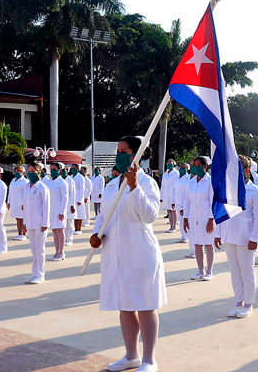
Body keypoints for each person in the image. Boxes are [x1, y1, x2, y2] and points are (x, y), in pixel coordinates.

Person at [89, 136, 165, 372]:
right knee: (125, 305)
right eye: (117, 150)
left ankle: (149, 359)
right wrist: (96, 233)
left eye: (124, 150)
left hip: (140, 251)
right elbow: (104, 215)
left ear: (137, 155)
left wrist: (134, 187)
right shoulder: (111, 184)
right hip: (116, 251)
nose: (118, 154)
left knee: (145, 304)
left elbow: (150, 215)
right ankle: (131, 355)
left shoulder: (147, 183)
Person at [214, 155, 258, 318]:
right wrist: (218, 234)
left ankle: (248, 304)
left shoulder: (255, 191)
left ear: (247, 170)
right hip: (229, 236)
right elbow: (222, 213)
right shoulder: (229, 189)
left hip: (245, 237)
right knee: (235, 271)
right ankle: (238, 301)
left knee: (246, 271)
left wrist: (254, 238)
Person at [183, 157, 215, 281]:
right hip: (193, 217)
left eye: (198, 165)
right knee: (197, 244)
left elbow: (213, 202)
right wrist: (185, 218)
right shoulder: (191, 182)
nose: (195, 167)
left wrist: (211, 220)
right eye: (194, 165)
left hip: (206, 218)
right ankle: (200, 271)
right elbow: (187, 201)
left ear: (205, 167)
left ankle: (209, 271)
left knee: (208, 244)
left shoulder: (210, 181)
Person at [24, 162, 50, 284]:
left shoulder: (42, 188)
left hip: (40, 223)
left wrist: (45, 223)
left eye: (33, 171)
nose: (30, 174)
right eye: (29, 171)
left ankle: (40, 274)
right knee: (33, 250)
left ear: (39, 173)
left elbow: (46, 207)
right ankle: (34, 273)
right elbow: (26, 206)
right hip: (30, 222)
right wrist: (25, 222)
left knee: (40, 250)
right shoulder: (27, 187)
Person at [44, 162, 68, 261]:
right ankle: (56, 250)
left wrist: (62, 212)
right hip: (51, 209)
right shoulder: (49, 182)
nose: (53, 171)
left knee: (60, 230)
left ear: (59, 170)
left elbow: (65, 198)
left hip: (59, 209)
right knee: (54, 230)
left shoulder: (63, 183)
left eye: (55, 169)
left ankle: (61, 252)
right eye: (51, 169)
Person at [7, 165, 28, 241]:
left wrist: (24, 204)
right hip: (14, 202)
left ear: (22, 172)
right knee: (17, 218)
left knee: (22, 219)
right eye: (15, 171)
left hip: (21, 203)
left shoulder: (25, 181)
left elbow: (26, 194)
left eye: (18, 171)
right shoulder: (13, 180)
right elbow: (10, 192)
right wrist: (9, 202)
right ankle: (19, 233)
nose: (16, 173)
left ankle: (24, 233)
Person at [161, 159, 179, 233]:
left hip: (173, 194)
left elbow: (176, 186)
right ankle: (171, 226)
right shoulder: (165, 173)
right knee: (169, 211)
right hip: (166, 194)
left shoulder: (175, 173)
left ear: (174, 164)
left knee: (173, 211)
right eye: (167, 163)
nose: (169, 164)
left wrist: (175, 197)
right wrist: (161, 196)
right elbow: (162, 185)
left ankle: (174, 227)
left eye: (170, 163)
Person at [63, 165, 77, 245]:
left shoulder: (70, 180)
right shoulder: (61, 180)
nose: (63, 172)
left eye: (64, 170)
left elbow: (73, 194)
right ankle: (65, 238)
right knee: (64, 223)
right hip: (63, 205)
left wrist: (72, 205)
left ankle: (70, 239)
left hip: (70, 204)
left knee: (70, 223)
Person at [70, 164, 86, 235]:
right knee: (74, 214)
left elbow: (82, 189)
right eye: (72, 168)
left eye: (74, 168)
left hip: (79, 198)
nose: (73, 169)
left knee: (79, 214)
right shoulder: (70, 177)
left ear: (78, 169)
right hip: (73, 198)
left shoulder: (81, 177)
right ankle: (74, 228)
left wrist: (80, 199)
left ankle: (79, 228)